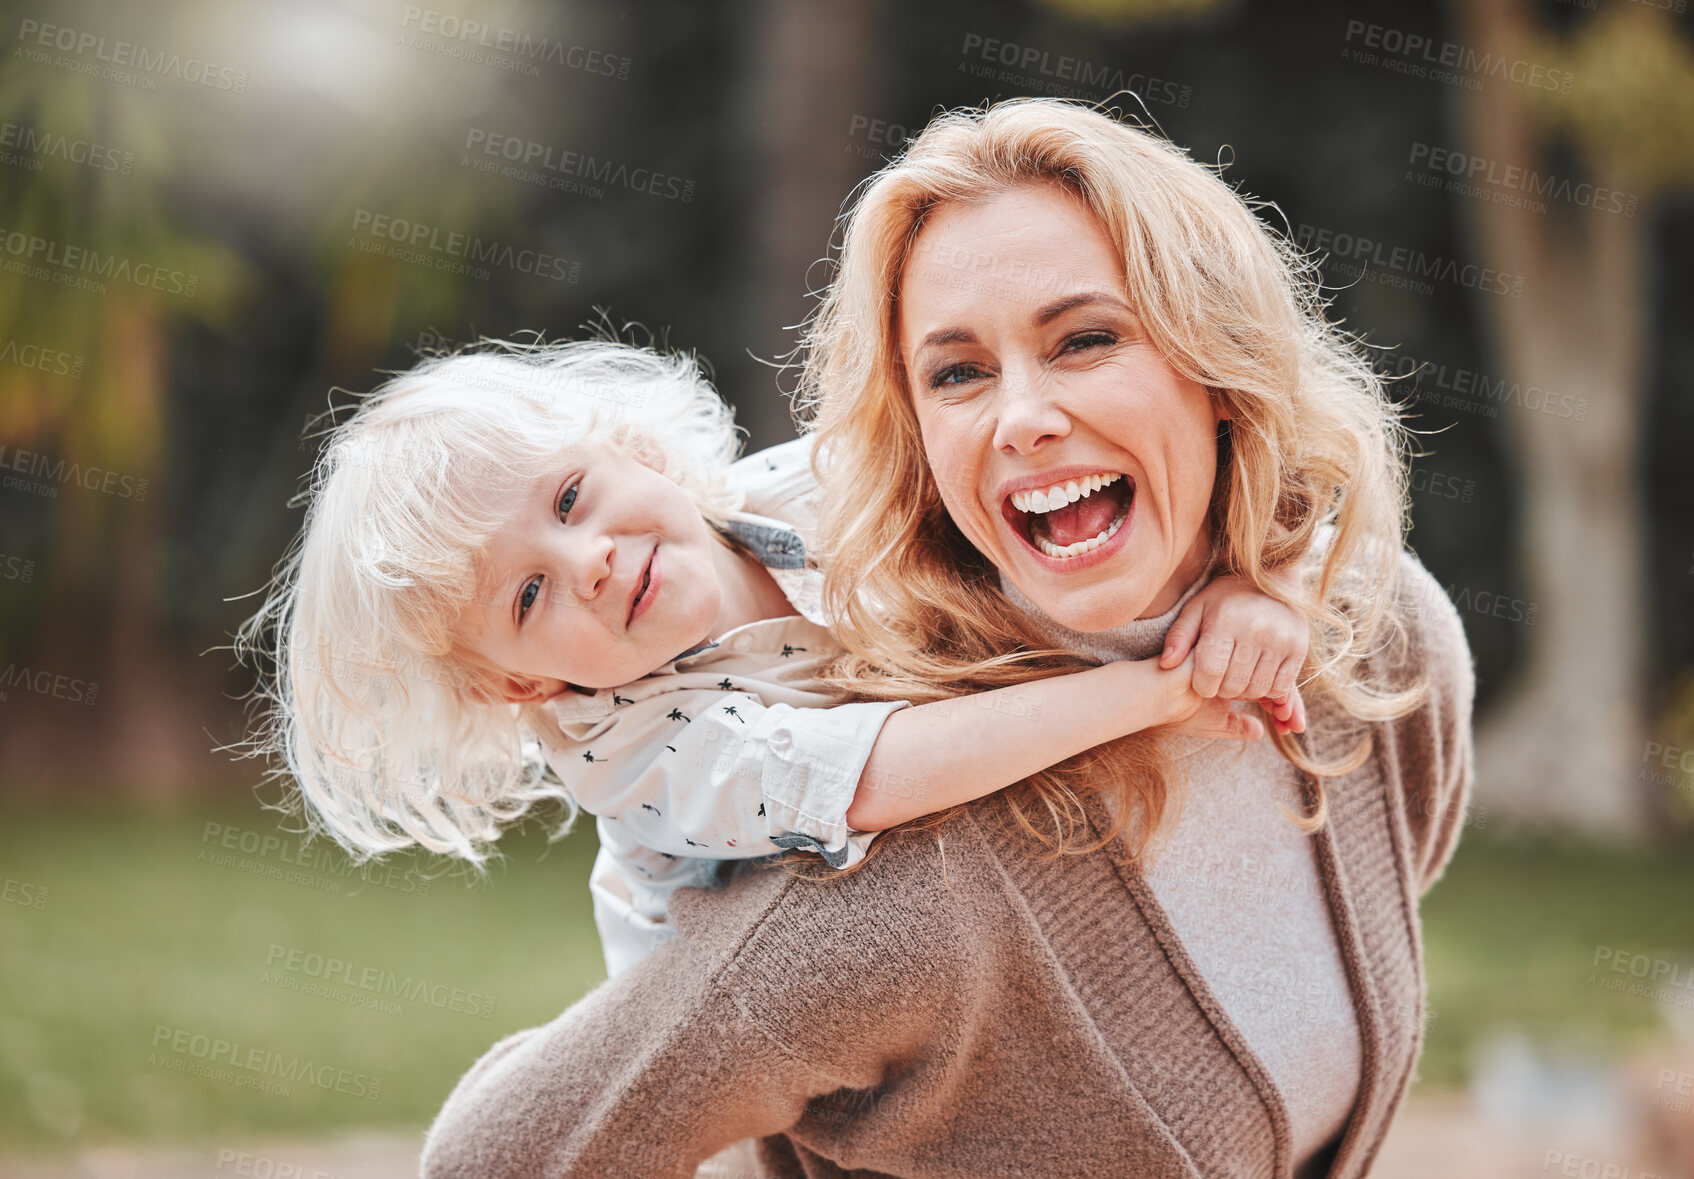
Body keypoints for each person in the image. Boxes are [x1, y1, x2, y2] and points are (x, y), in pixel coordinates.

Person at [418, 99, 1475, 1179]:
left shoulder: (1378, 642)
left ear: (1216, 361)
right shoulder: (899, 897)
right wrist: (1164, 689)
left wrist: (1277, 592)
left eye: (1085, 339)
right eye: (957, 373)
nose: (1022, 416)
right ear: (917, 431)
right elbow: (495, 1161)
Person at [238, 336, 1308, 979]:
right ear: (520, 682)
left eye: (568, 498)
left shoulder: (808, 489)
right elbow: (878, 770)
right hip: (739, 1054)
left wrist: (1232, 585)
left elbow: (1052, 512)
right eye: (527, 596)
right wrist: (1156, 685)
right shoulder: (636, 748)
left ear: (628, 447)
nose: (591, 562)